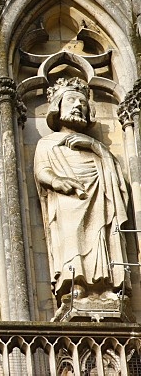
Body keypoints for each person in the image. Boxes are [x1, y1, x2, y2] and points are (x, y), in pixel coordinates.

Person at [34, 77, 130, 308]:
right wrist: (57, 181)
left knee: (101, 238)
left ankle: (104, 286)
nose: (78, 105)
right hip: (68, 201)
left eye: (83, 102)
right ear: (57, 106)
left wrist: (96, 147)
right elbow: (42, 171)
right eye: (71, 100)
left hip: (98, 197)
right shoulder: (48, 143)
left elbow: (116, 178)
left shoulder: (98, 147)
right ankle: (76, 285)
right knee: (72, 238)